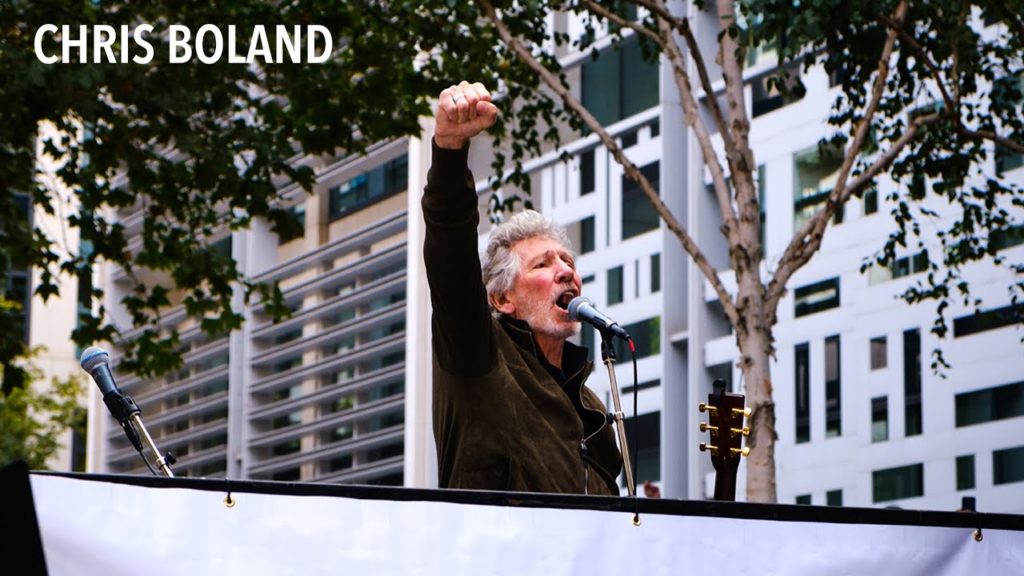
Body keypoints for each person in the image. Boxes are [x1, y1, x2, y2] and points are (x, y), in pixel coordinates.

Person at [423, 81, 622, 495]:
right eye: (543, 264)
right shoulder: (479, 354)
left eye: (567, 261)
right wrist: (448, 150)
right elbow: (451, 256)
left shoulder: (593, 408)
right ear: (502, 299)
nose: (565, 271)